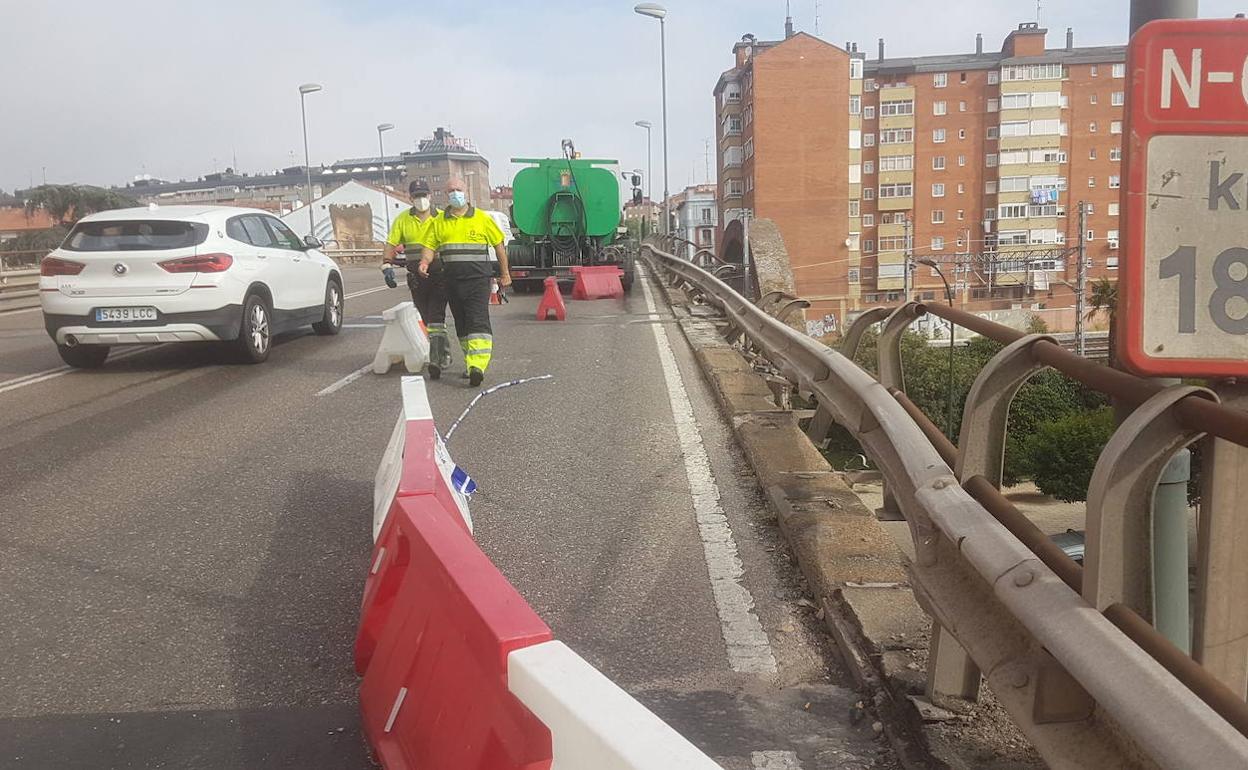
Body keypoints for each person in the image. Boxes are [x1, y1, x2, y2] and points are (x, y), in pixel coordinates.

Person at [418, 176, 511, 387]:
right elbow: (429, 246)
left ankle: (477, 365)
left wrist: (505, 273)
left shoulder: (482, 219)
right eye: (450, 190)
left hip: (478, 280)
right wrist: (424, 262)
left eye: (457, 189)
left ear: (466, 191)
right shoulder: (438, 222)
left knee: (477, 320)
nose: (454, 194)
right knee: (461, 323)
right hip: (451, 280)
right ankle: (471, 363)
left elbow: (499, 246)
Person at [383, 180, 451, 377]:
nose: (421, 200)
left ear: (430, 196)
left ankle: (437, 359)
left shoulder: (441, 218)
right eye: (417, 196)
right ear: (410, 198)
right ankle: (444, 351)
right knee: (428, 318)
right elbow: (391, 243)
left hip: (439, 274)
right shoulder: (403, 219)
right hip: (416, 278)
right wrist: (387, 264)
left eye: (424, 195)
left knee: (437, 315)